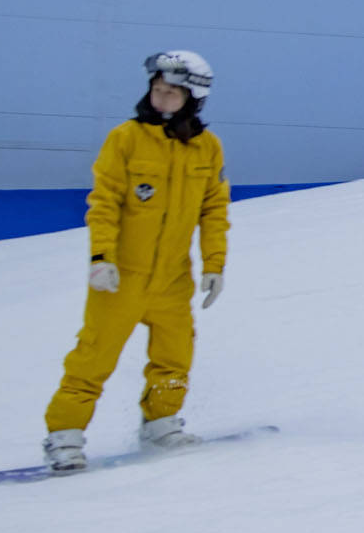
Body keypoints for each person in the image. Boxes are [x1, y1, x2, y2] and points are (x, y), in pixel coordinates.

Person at [41, 50, 230, 473]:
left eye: (171, 93)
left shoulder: (207, 148)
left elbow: (214, 210)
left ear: (193, 98)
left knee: (174, 357)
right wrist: (101, 257)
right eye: (157, 90)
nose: (161, 99)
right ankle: (64, 438)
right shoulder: (125, 138)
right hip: (119, 277)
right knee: (93, 358)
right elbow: (104, 202)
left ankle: (161, 425)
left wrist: (215, 264)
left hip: (172, 282)